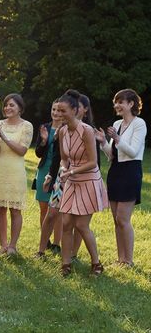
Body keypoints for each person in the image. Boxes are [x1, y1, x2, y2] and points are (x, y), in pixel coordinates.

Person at [57, 90, 108, 276]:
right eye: (58, 111)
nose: (60, 115)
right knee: (66, 223)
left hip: (88, 180)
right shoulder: (62, 131)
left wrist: (71, 171)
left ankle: (97, 264)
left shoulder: (86, 130)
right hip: (71, 179)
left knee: (81, 225)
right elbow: (64, 158)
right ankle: (66, 264)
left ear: (75, 110)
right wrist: (64, 169)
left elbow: (93, 162)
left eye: (63, 111)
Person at [98, 89, 146, 267]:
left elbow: (133, 151)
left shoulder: (139, 123)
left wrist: (117, 138)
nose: (116, 105)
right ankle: (120, 259)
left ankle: (129, 260)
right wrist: (103, 142)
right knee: (116, 219)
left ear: (131, 104)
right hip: (115, 171)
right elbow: (112, 155)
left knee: (123, 218)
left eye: (120, 102)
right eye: (115, 102)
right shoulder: (117, 123)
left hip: (130, 172)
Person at [0, 93, 33, 255]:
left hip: (15, 171)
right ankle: (3, 245)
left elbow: (21, 151)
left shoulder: (27, 126)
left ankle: (13, 246)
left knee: (14, 209)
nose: (7, 108)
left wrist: (4, 136)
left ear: (20, 108)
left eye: (11, 105)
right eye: (6, 105)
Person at [33, 100, 64, 253]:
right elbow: (38, 153)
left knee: (58, 209)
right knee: (44, 208)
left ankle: (57, 244)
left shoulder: (66, 128)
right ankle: (45, 241)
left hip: (60, 171)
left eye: (59, 110)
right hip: (44, 169)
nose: (56, 113)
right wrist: (44, 141)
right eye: (54, 109)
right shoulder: (44, 127)